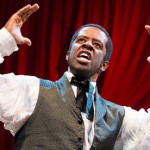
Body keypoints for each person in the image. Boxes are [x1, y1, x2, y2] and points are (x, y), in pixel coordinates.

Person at [0, 4, 150, 150]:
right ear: (67, 55)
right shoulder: (31, 91)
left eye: (97, 45)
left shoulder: (121, 118)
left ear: (104, 65)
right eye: (81, 40)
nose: (88, 45)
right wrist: (4, 39)